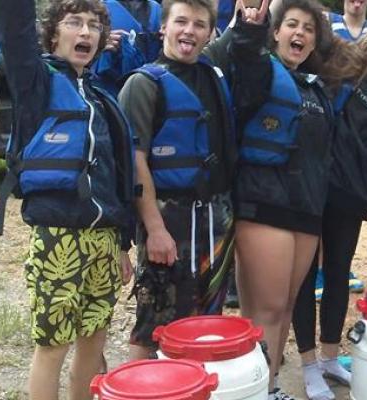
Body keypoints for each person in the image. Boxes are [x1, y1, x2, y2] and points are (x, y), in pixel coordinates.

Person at [0, 0, 136, 398]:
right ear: (54, 35)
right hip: (58, 236)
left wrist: (122, 244)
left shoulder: (99, 97)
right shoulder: (36, 82)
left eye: (93, 26)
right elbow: (14, 30)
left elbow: (114, 179)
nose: (86, 33)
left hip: (104, 240)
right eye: (74, 23)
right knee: (53, 344)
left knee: (94, 341)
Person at [288, 14, 367, 399]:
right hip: (314, 186)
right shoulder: (339, 60)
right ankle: (308, 365)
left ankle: (330, 357)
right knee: (305, 276)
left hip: (352, 193)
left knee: (339, 274)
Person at [228, 0, 338, 397]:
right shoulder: (259, 70)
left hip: (305, 209)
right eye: (292, 24)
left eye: (309, 29)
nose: (301, 33)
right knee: (266, 309)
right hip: (264, 205)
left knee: (286, 306)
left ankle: (268, 386)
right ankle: (257, 390)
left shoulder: (313, 85)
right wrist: (248, 28)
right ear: (275, 32)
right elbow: (244, 54)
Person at [118, 0, 238, 362]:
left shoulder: (213, 73)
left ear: (209, 33)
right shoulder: (143, 84)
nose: (189, 31)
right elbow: (135, 162)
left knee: (205, 321)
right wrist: (154, 229)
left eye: (199, 24)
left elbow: (242, 30)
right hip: (169, 218)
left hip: (216, 218)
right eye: (181, 22)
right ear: (163, 28)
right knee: (153, 322)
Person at [90, 0, 163, 93]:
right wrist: (97, 46)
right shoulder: (94, 7)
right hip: (105, 89)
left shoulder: (157, 10)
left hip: (150, 89)